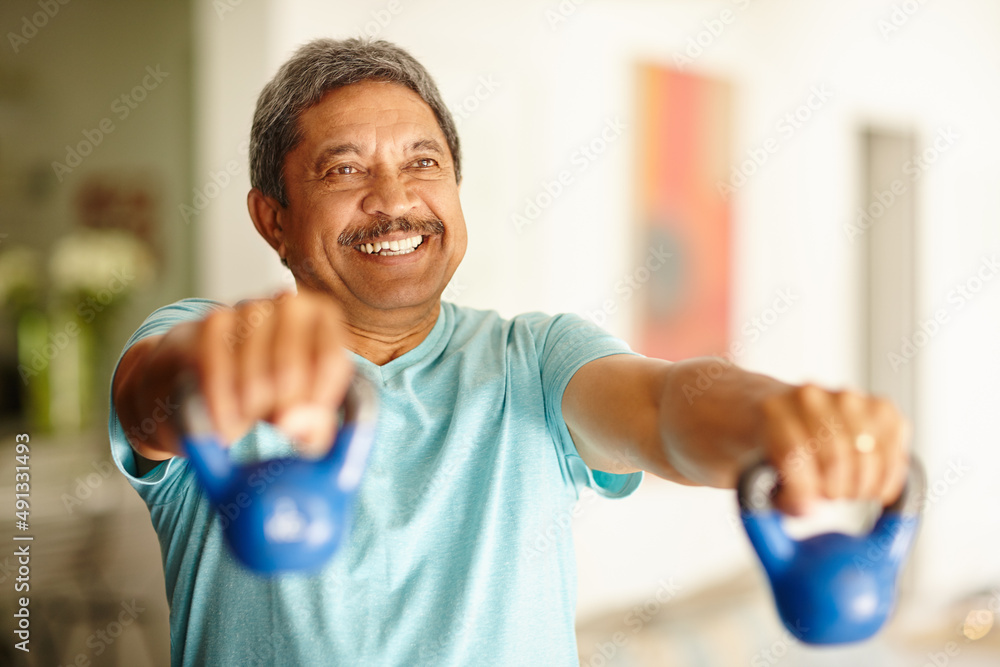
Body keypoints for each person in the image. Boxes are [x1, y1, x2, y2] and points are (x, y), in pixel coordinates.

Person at [109, 38, 911, 666]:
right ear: (272, 217)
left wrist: (777, 420)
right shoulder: (200, 341)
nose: (394, 200)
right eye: (344, 169)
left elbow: (669, 406)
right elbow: (156, 395)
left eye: (423, 163)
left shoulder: (535, 360)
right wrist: (224, 362)